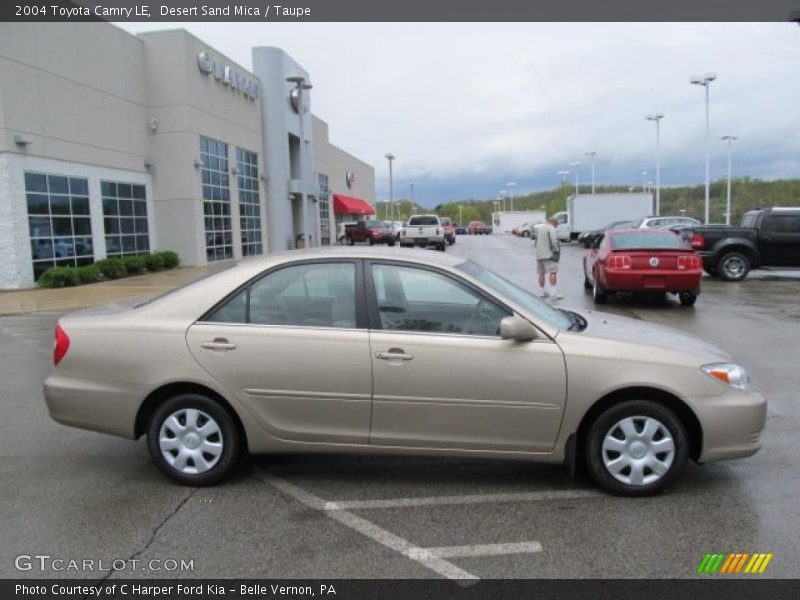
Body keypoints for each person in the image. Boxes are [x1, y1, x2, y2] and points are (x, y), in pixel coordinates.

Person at [533, 218, 562, 300]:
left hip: (539, 255)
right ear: (553, 223)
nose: (557, 226)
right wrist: (556, 250)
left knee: (541, 273)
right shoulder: (551, 228)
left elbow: (536, 241)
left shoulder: (540, 228)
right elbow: (554, 240)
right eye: (556, 224)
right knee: (553, 272)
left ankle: (542, 292)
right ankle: (553, 294)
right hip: (549, 255)